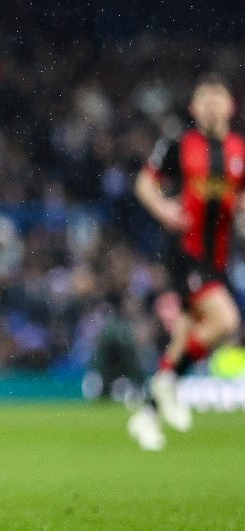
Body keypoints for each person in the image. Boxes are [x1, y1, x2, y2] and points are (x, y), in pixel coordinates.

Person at [128, 76, 245, 451]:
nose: (211, 105)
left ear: (230, 106)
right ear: (194, 108)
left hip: (218, 257)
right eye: (204, 99)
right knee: (226, 321)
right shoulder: (180, 144)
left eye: (218, 98)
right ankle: (166, 384)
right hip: (186, 252)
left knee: (185, 332)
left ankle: (147, 413)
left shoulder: (239, 150)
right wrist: (164, 209)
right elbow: (144, 183)